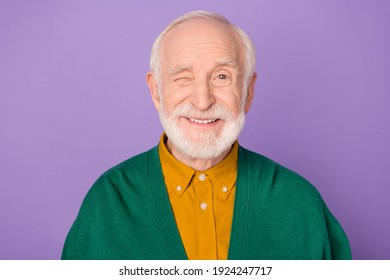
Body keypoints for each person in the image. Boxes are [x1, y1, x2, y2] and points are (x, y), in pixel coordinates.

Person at [62, 10, 351, 260]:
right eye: (183, 77)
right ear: (156, 91)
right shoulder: (106, 204)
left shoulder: (299, 204)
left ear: (247, 92)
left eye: (222, 76)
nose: (202, 101)